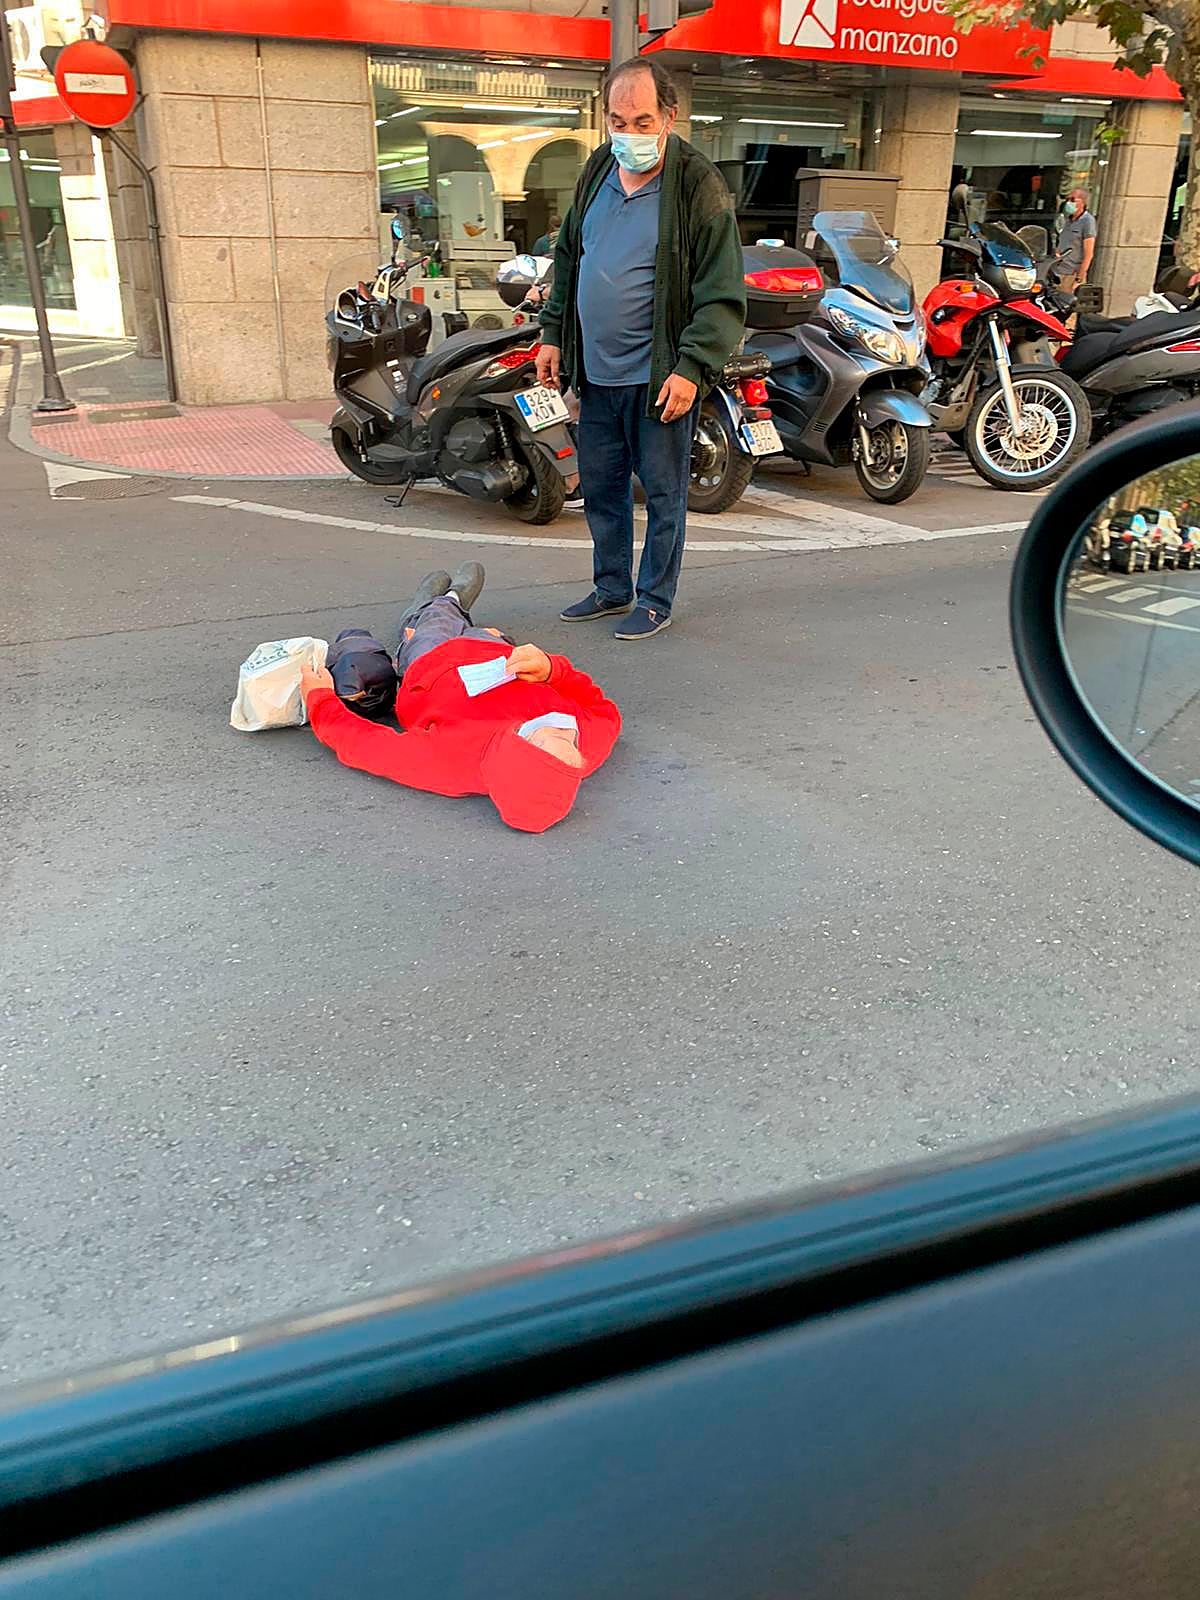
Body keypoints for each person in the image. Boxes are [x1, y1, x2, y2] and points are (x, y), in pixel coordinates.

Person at [537, 56, 746, 641]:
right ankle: (611, 588)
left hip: (659, 377)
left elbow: (721, 291)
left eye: (642, 121)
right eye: (617, 121)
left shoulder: (696, 183)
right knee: (602, 489)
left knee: (662, 494)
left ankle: (655, 598)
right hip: (597, 373)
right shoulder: (598, 169)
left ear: (669, 117)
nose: (628, 134)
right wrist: (553, 333)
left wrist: (692, 367)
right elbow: (569, 257)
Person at [298, 562, 621, 833]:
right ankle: (437, 613)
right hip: (498, 655)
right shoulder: (590, 742)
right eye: (569, 739)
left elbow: (366, 745)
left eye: (542, 737)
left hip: (431, 667)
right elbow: (601, 708)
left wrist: (320, 699)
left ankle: (442, 603)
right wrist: (553, 669)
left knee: (434, 625)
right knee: (487, 633)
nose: (560, 729)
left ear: (514, 748)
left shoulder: (455, 766)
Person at [1055, 187, 1097, 295]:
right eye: (1068, 199)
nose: (1069, 203)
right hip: (1058, 272)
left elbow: (1089, 254)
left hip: (1072, 275)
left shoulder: (1087, 221)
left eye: (1073, 200)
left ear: (1083, 202)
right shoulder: (1067, 220)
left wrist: (1079, 278)